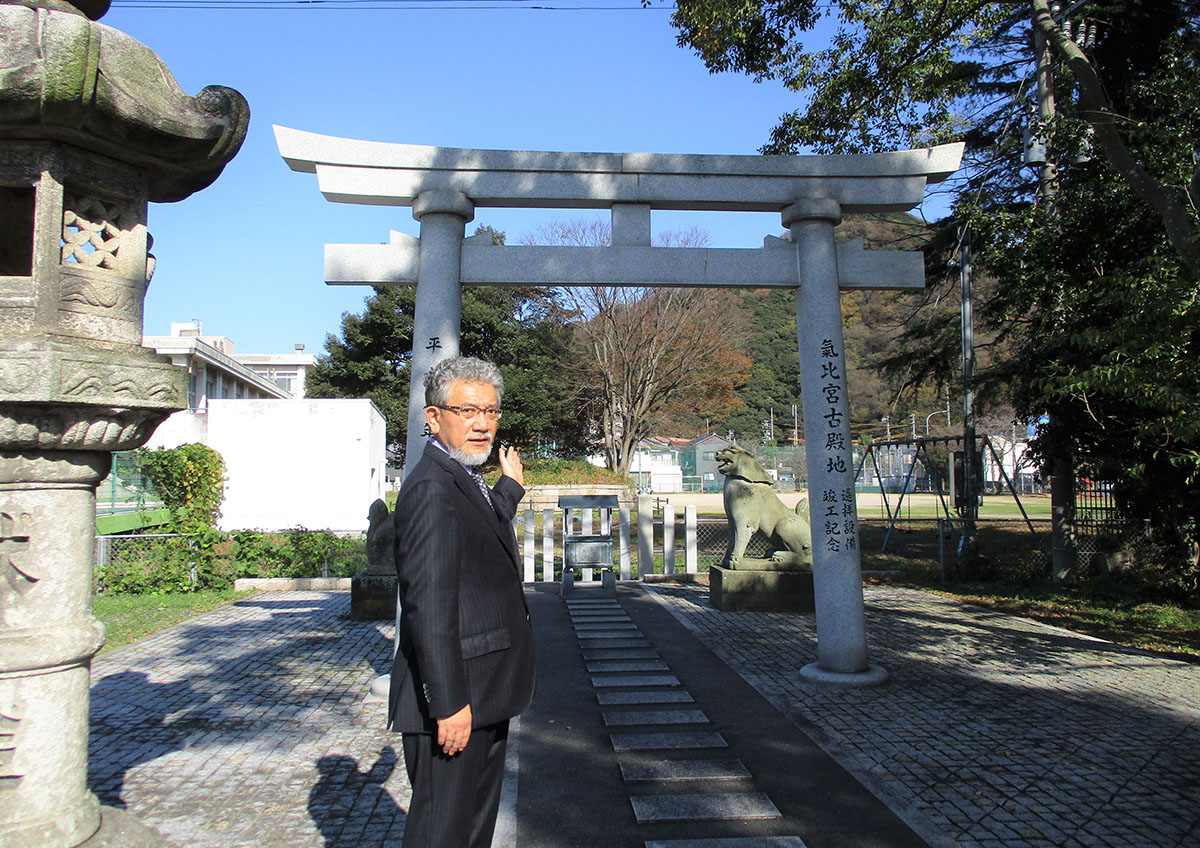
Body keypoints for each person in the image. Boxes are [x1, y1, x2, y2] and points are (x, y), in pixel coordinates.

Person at [388, 355, 535, 848]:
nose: (482, 424)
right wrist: (449, 703)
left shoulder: (460, 476)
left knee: (472, 826)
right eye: (467, 411)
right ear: (434, 417)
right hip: (457, 701)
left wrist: (509, 489)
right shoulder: (431, 488)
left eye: (491, 412)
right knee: (443, 832)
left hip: (484, 689)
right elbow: (427, 605)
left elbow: (478, 530)